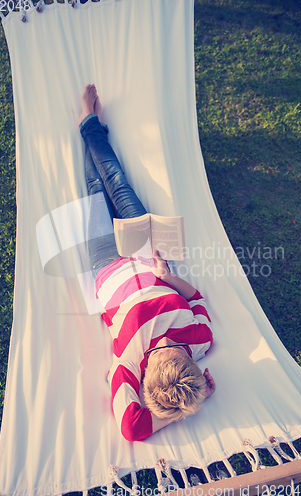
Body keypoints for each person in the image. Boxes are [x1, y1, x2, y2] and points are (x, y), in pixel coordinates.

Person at [79, 84, 215, 442]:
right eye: (175, 351)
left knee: (94, 189)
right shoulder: (199, 340)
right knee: (117, 185)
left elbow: (131, 428)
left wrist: (183, 409)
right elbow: (197, 297)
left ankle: (87, 125)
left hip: (107, 266)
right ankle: (93, 127)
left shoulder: (129, 362)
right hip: (147, 254)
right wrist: (168, 278)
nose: (166, 345)